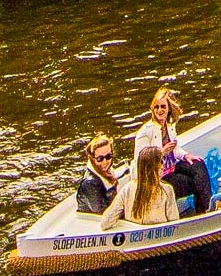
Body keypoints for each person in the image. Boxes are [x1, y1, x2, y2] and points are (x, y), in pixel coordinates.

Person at [136, 86, 212, 215]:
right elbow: (141, 162)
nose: (159, 110)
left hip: (171, 166)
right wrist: (161, 152)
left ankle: (206, 208)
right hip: (158, 174)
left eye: (163, 107)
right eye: (156, 107)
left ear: (169, 108)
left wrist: (186, 155)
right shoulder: (145, 132)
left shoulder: (169, 125)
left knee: (198, 165)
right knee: (191, 182)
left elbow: (175, 149)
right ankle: (203, 211)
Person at [102, 141, 181, 231]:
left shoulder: (128, 188)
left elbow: (105, 222)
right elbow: (175, 226)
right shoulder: (167, 190)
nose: (163, 166)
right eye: (161, 162)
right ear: (154, 167)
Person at [73, 133, 120, 215]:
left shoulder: (108, 171)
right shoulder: (90, 183)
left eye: (108, 156)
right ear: (93, 159)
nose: (105, 162)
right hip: (92, 221)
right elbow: (101, 212)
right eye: (100, 159)